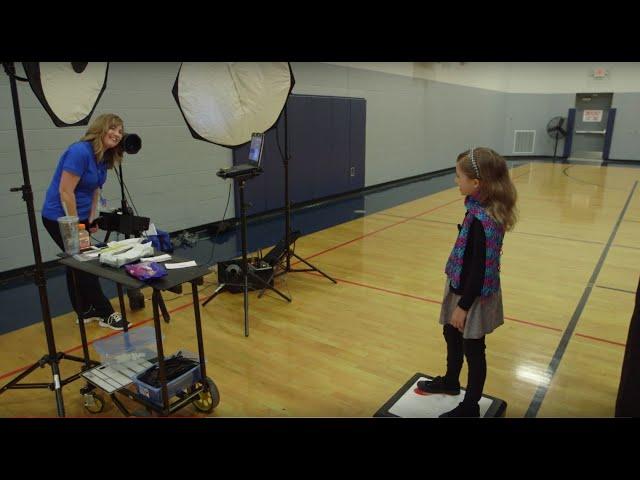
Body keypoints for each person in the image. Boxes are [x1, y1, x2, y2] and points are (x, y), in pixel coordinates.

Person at [417, 147, 518, 417]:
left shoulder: (482, 220)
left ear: (476, 183)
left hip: (472, 293)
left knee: (473, 348)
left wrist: (463, 306)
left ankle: (470, 407)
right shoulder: (477, 207)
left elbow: (479, 270)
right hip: (461, 285)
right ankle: (451, 382)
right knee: (451, 333)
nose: (455, 180)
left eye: (458, 176)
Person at [41, 113, 131, 331]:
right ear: (100, 128)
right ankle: (105, 313)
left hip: (79, 217)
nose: (117, 134)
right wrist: (75, 227)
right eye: (113, 128)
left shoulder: (103, 158)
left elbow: (95, 191)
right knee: (86, 262)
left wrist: (91, 220)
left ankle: (84, 310)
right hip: (58, 216)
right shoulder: (79, 151)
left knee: (76, 262)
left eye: (120, 131)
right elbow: (65, 192)